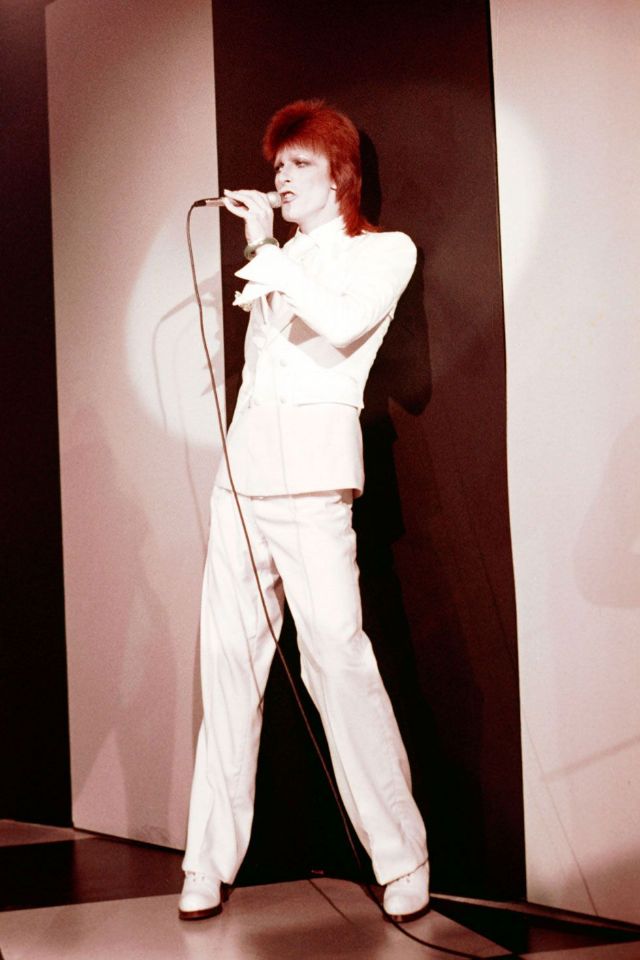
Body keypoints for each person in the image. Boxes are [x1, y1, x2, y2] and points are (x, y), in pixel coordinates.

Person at [179, 99, 429, 923]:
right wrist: (270, 255)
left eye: (298, 165)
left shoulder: (382, 251)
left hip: (315, 485)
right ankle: (206, 861)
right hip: (242, 485)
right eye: (277, 166)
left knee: (337, 661)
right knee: (228, 666)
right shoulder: (279, 260)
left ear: (339, 174)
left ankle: (401, 855)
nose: (280, 179)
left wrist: (264, 252)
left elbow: (345, 323)